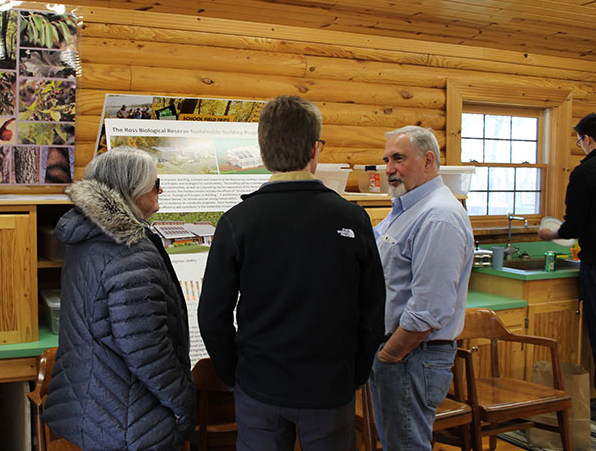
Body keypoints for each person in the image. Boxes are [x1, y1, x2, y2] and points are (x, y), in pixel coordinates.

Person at [198, 95, 385, 451]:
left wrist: (233, 375)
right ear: (316, 149)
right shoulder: (353, 218)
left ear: (263, 151)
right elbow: (372, 312)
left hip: (260, 388)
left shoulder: (238, 222)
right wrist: (356, 374)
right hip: (330, 389)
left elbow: (212, 316)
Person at [42, 146, 196, 451]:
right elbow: (148, 352)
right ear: (131, 191)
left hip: (93, 407)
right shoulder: (129, 254)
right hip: (131, 421)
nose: (160, 191)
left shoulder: (88, 238)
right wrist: (183, 406)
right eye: (155, 184)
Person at [369, 125, 474, 451]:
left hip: (412, 354)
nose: (389, 169)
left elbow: (430, 307)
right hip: (401, 353)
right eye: (386, 160)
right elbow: (370, 248)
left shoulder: (438, 216)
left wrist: (389, 356)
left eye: (398, 159)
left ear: (428, 160)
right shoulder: (405, 210)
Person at [538, 112, 596, 425]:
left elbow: (573, 226)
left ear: (585, 139)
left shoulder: (586, 172)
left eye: (578, 139)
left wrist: (549, 233)